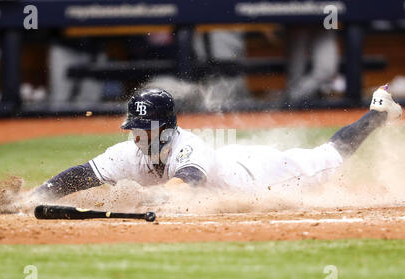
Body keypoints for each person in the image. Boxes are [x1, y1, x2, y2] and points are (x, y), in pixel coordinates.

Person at [33, 85, 402, 200]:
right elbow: (82, 175)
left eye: (143, 127)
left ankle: (378, 112)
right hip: (230, 159)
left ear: (165, 128)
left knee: (329, 156)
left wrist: (136, 200)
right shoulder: (130, 152)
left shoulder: (187, 147)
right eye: (134, 126)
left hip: (262, 175)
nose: (135, 133)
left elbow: (184, 184)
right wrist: (35, 196)